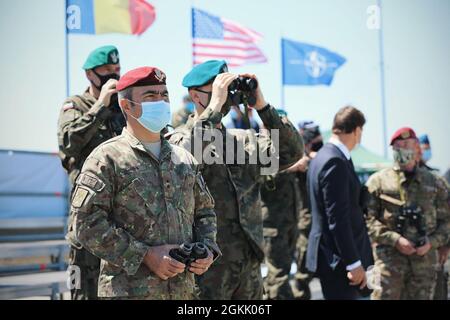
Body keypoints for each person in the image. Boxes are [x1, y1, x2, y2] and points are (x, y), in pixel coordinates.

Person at [69, 66, 221, 299]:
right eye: (150, 96)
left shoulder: (184, 158)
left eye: (164, 95)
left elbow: (205, 211)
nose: (160, 101)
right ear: (126, 106)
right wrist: (144, 255)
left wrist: (208, 248)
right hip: (128, 292)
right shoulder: (106, 159)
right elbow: (86, 223)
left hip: (183, 293)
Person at [168, 60, 303, 299]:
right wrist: (216, 105)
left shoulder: (241, 141)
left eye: (228, 92)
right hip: (206, 267)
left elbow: (291, 153)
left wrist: (262, 106)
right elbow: (186, 160)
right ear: (196, 96)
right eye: (217, 90)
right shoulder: (178, 138)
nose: (227, 99)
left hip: (248, 266)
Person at [57, 45, 126, 300]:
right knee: (84, 293)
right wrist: (100, 106)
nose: (114, 75)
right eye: (107, 70)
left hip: (120, 222)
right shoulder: (75, 104)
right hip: (86, 221)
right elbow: (68, 142)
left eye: (117, 70)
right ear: (90, 74)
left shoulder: (122, 110)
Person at [366, 127, 450, 300]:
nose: (402, 149)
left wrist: (431, 243)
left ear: (417, 147)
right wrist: (394, 240)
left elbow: (447, 221)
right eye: (397, 146)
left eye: (407, 144)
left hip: (424, 267)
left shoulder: (436, 183)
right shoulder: (378, 182)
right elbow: (367, 220)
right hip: (389, 266)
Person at [306, 106, 374, 300]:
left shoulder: (323, 156)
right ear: (357, 130)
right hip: (341, 262)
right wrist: (353, 263)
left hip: (334, 257)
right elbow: (338, 219)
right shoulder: (334, 160)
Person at [261, 109, 301, 300]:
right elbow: (267, 175)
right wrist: (292, 167)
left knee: (282, 271)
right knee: (278, 275)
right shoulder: (259, 148)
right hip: (272, 226)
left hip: (289, 222)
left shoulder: (285, 152)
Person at [291, 121, 324, 300]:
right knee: (303, 271)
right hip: (307, 223)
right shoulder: (299, 159)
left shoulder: (322, 157)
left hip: (322, 223)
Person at [416, 134, 449, 300]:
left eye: (427, 149)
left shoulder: (436, 179)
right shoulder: (396, 178)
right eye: (423, 148)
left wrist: (446, 245)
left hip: (434, 250)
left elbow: (446, 215)